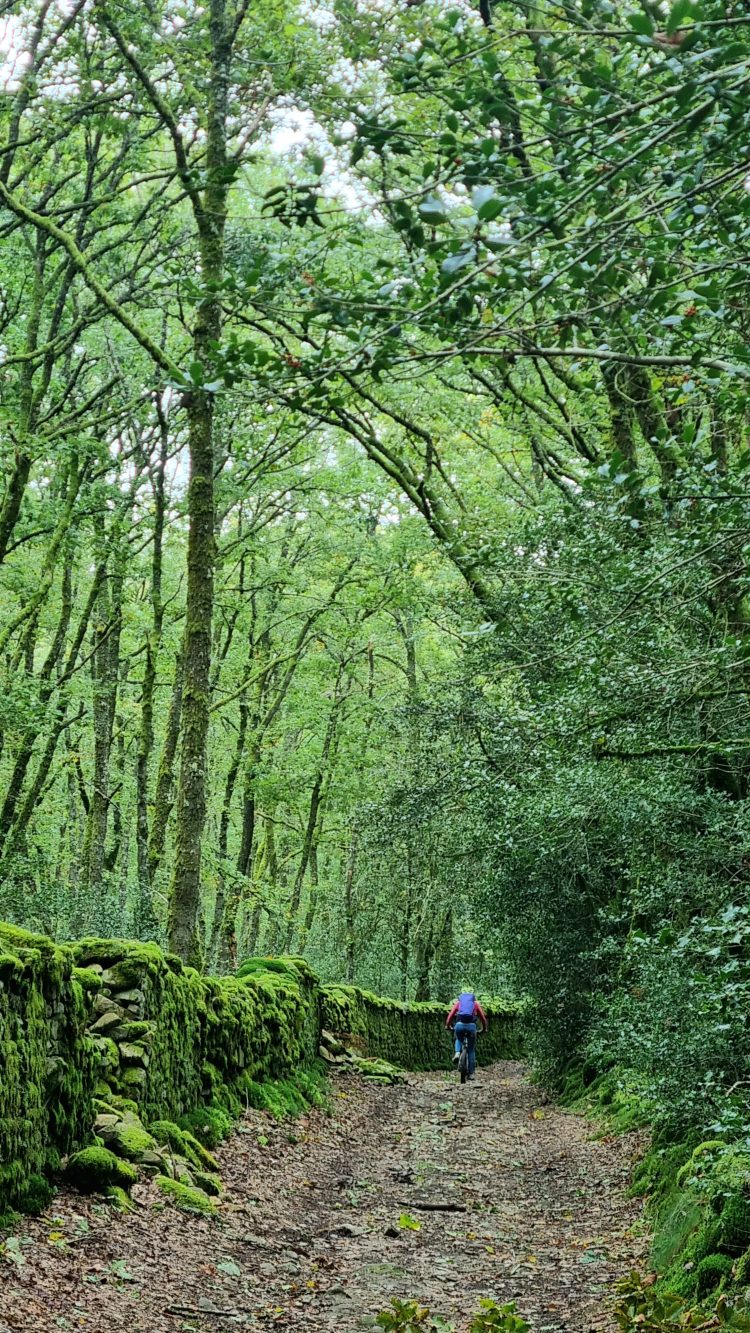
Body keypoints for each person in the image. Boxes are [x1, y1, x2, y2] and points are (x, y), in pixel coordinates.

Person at [445, 990, 488, 1079]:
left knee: (458, 1038)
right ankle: (471, 1074)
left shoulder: (458, 1004)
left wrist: (448, 1026)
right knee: (471, 1050)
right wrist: (484, 1029)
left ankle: (457, 1053)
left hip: (459, 1026)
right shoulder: (475, 1004)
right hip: (472, 1027)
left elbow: (450, 1016)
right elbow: (483, 1019)